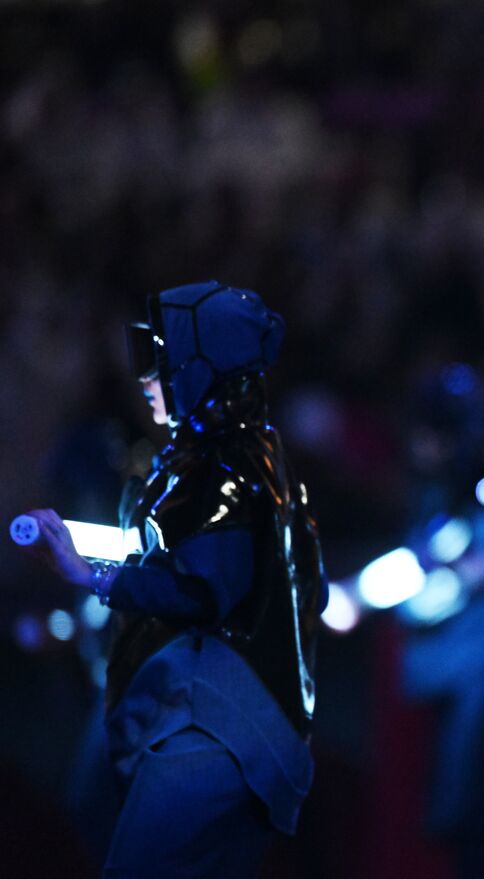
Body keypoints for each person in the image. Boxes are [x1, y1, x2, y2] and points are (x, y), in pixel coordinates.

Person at [22, 281, 325, 877]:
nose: (144, 377)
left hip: (217, 725)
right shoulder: (224, 456)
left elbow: (206, 589)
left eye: (157, 356)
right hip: (197, 715)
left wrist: (90, 575)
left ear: (200, 363)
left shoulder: (227, 467)